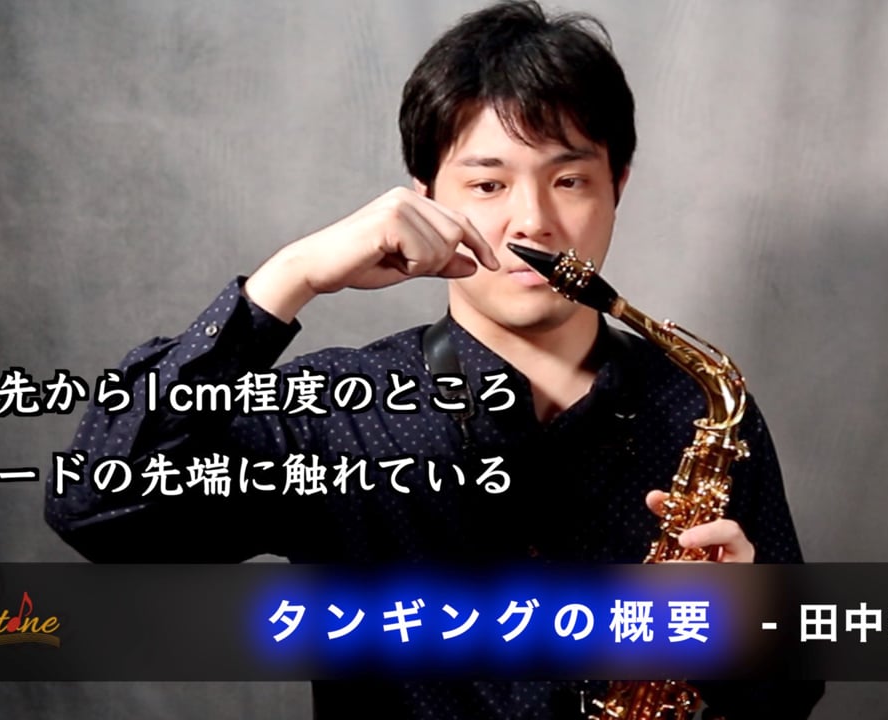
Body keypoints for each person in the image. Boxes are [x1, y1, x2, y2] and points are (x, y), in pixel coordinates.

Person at [45, 1, 823, 717]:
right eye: (487, 184)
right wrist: (289, 277)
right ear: (426, 198)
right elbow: (96, 506)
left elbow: (791, 692)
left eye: (569, 179)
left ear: (617, 184)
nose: (533, 221)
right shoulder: (333, 409)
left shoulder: (700, 407)